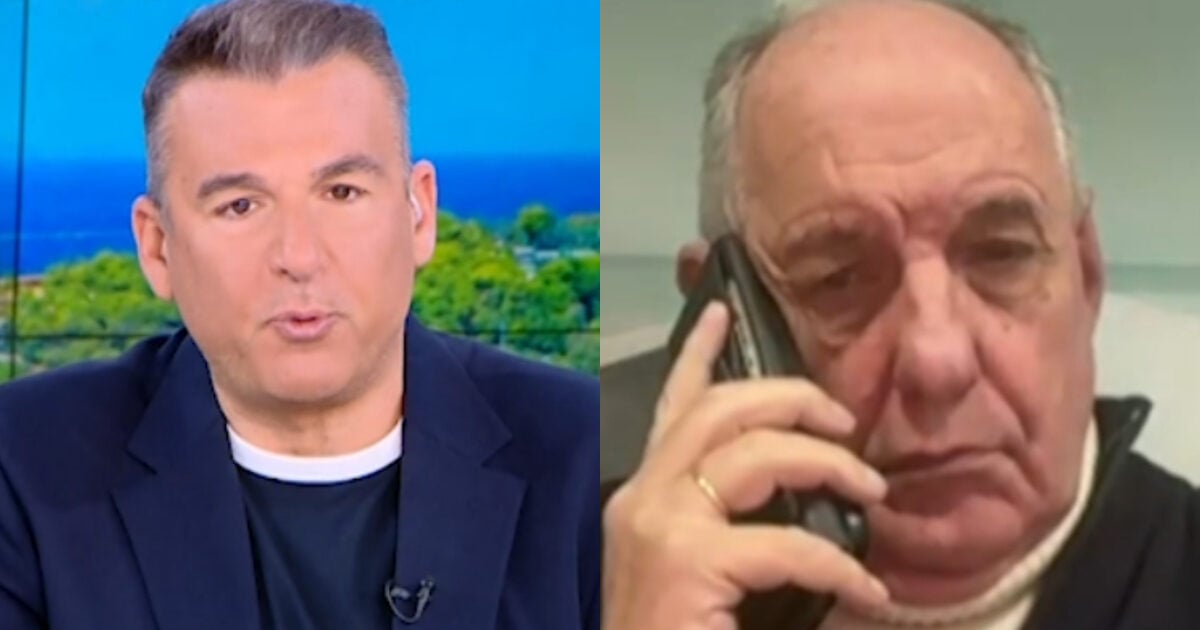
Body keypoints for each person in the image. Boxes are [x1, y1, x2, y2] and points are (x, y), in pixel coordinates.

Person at [601, 1, 1200, 628]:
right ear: (722, 321)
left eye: (1001, 253)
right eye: (839, 279)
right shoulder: (571, 570)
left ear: (1088, 274)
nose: (938, 363)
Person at [0, 1, 598, 628]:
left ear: (419, 213)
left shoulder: (584, 455)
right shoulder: (24, 468)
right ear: (158, 248)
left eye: (341, 192)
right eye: (240, 206)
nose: (299, 257)